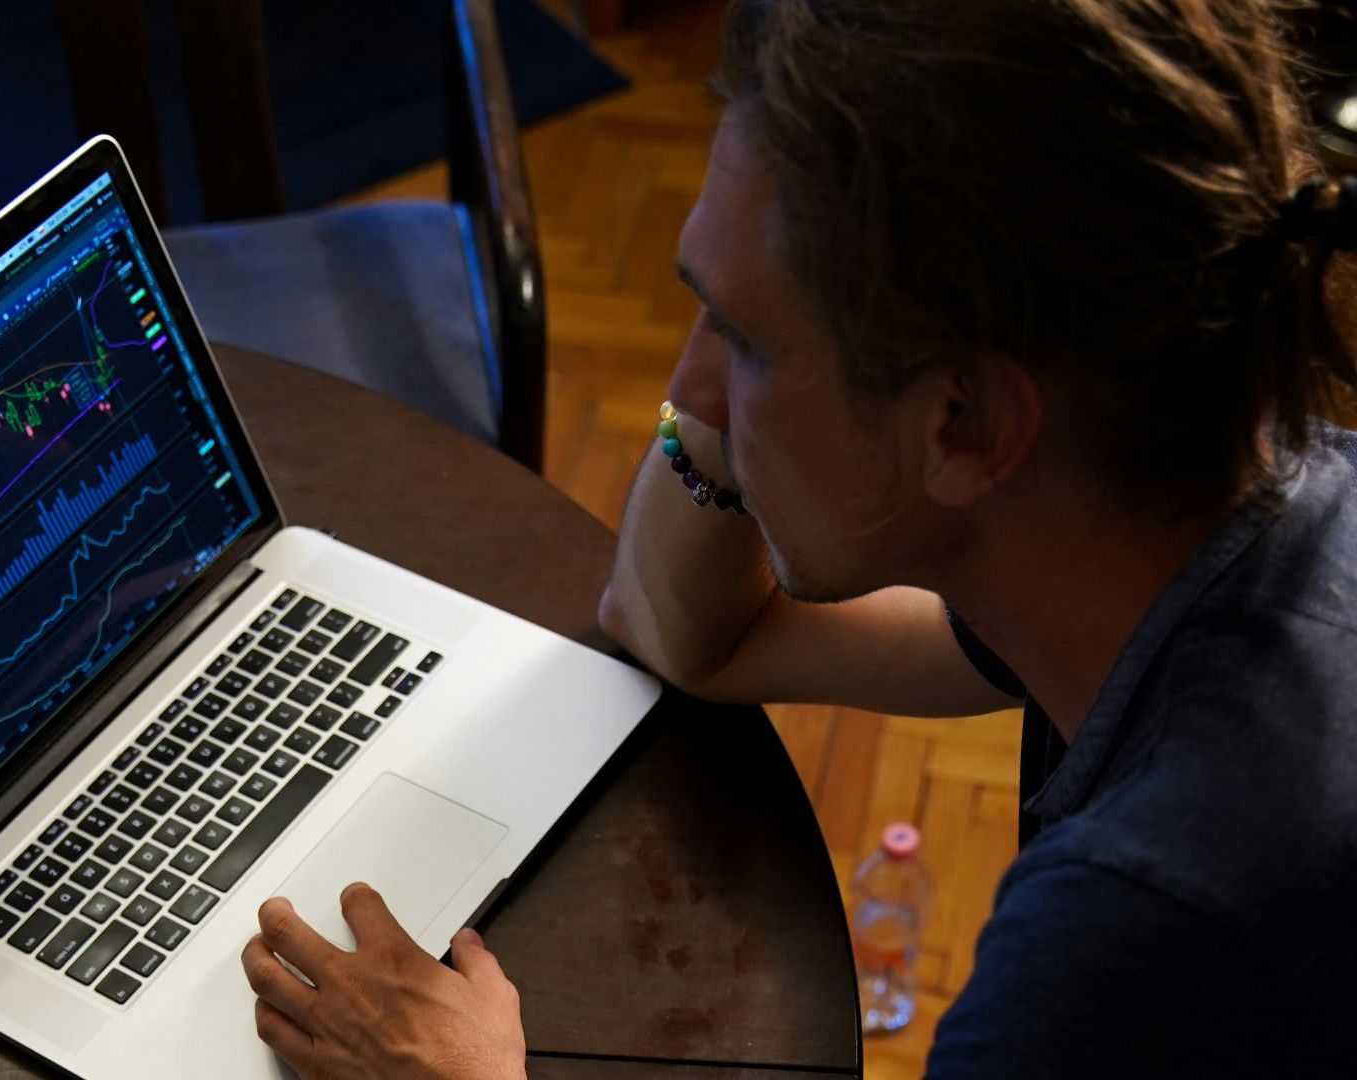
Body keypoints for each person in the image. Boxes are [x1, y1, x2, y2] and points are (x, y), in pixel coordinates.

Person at [238, 0, 1357, 1075]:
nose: (685, 392)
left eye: (743, 339)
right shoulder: (1199, 519)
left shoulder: (1139, 933)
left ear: (964, 426)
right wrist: (745, 360)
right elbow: (692, 640)